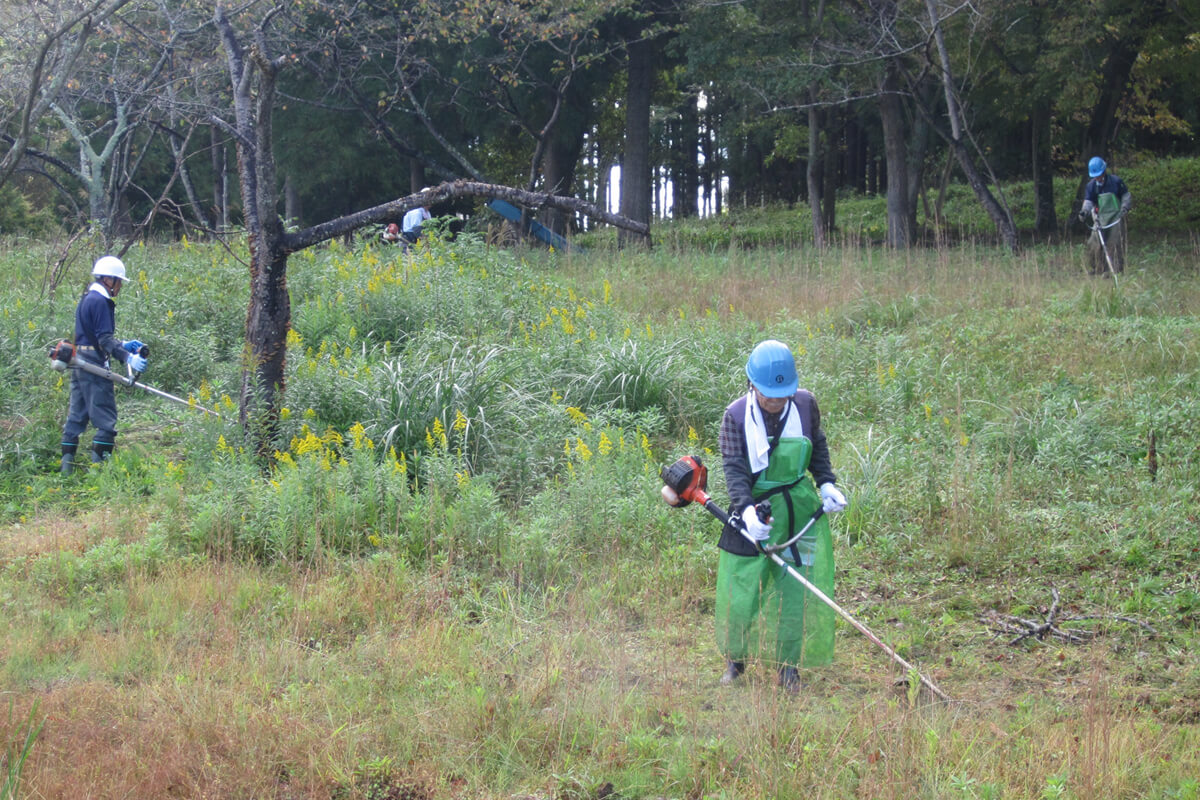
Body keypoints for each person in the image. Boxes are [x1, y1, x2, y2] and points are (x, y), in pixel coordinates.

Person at [715, 339, 847, 692]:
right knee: (742, 588)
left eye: (782, 395)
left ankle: (789, 667)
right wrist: (746, 511)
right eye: (768, 395)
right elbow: (734, 468)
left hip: (798, 511)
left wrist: (826, 483)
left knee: (795, 590)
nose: (776, 402)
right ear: (751, 385)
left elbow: (817, 444)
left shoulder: (805, 404)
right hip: (754, 511)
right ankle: (736, 660)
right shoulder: (734, 416)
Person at [60, 256, 148, 474]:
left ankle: (66, 473)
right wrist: (128, 358)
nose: (120, 286)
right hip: (93, 365)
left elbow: (91, 335)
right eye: (119, 281)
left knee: (76, 417)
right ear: (109, 280)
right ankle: (100, 476)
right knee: (106, 419)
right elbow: (104, 339)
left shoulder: (87, 298)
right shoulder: (100, 301)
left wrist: (123, 344)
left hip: (79, 359)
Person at [1079, 156, 1132, 275]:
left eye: (1099, 175)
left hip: (1116, 217)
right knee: (1093, 243)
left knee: (1114, 242)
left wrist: (1125, 207)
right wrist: (1084, 212)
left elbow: (1126, 196)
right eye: (1095, 176)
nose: (1097, 177)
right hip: (1100, 218)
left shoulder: (1116, 182)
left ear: (1104, 171)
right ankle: (1098, 268)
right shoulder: (1091, 186)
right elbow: (1088, 201)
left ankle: (1115, 270)